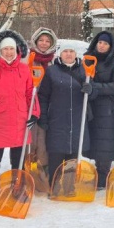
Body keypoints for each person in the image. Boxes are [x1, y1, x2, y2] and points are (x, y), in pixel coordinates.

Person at [0, 30, 40, 204]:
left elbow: (30, 94)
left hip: (20, 121)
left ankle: (18, 189)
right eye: (5, 49)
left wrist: (34, 112)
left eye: (12, 49)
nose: (9, 52)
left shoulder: (24, 70)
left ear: (17, 50)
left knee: (18, 160)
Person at [37, 44, 90, 194]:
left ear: (76, 54)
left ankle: (69, 187)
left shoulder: (84, 70)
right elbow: (43, 96)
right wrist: (44, 118)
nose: (68, 54)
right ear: (59, 54)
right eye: (65, 51)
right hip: (57, 120)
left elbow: (92, 95)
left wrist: (92, 90)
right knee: (56, 154)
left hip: (77, 119)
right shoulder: (51, 71)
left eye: (71, 51)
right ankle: (54, 186)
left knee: (73, 155)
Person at [83, 31, 114, 189]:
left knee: (105, 141)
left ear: (111, 46)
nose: (102, 45)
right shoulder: (87, 59)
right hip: (90, 106)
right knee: (92, 140)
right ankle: (94, 172)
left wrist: (95, 88)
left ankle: (103, 175)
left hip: (107, 108)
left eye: (105, 43)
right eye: (100, 42)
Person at [27, 27, 58, 192]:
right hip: (29, 106)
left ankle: (42, 178)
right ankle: (26, 174)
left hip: (47, 108)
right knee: (29, 140)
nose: (44, 44)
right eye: (41, 40)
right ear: (35, 41)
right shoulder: (28, 59)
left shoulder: (54, 62)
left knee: (43, 142)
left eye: (48, 41)